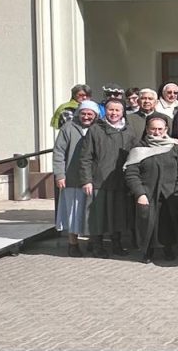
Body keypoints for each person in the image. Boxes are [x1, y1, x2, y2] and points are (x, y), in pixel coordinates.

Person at [123, 115, 178, 263]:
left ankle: (168, 248)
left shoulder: (175, 148)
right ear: (147, 129)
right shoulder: (139, 148)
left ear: (166, 129)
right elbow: (131, 173)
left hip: (170, 193)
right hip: (147, 192)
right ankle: (147, 250)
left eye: (160, 129)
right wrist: (139, 192)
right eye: (153, 128)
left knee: (168, 222)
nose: (156, 132)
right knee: (148, 223)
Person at [78, 98, 137, 257]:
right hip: (99, 180)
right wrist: (86, 180)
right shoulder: (95, 130)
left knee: (118, 214)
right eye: (111, 110)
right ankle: (97, 246)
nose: (114, 113)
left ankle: (116, 245)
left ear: (122, 112)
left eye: (118, 110)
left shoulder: (129, 131)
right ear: (106, 110)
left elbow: (135, 155)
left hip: (120, 180)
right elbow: (85, 158)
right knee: (99, 216)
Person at [53, 100, 100, 256]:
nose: (86, 117)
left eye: (90, 114)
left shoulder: (99, 128)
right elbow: (59, 152)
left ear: (95, 115)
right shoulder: (68, 128)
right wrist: (60, 175)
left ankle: (93, 242)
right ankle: (73, 244)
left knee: (91, 211)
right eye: (83, 113)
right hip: (72, 177)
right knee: (73, 211)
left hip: (93, 178)